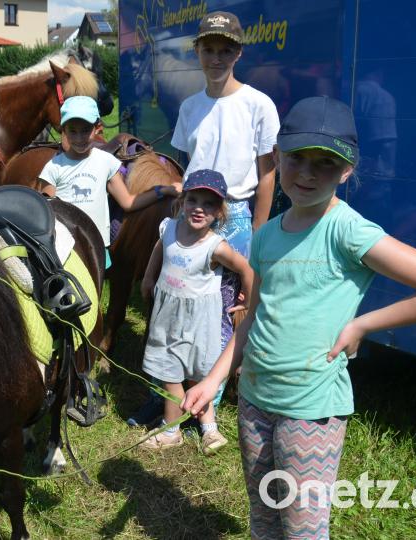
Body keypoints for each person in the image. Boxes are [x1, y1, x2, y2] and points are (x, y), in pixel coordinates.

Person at [182, 96, 416, 538]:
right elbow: (252, 320)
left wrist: (362, 325)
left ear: (347, 170)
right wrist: (213, 379)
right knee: (264, 521)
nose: (308, 173)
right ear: (277, 156)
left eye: (326, 163)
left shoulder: (347, 229)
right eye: (297, 158)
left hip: (311, 413)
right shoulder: (266, 236)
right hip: (255, 404)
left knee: (302, 529)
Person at [131, 10, 280, 425]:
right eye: (208, 49)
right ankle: (169, 391)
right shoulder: (191, 106)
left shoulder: (257, 105)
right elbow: (184, 166)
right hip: (192, 213)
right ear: (197, 52)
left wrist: (258, 229)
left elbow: (268, 173)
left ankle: (209, 401)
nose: (216, 58)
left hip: (234, 217)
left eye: (225, 50)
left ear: (238, 54)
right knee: (175, 304)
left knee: (228, 310)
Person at [137, 169, 252, 455]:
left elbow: (246, 268)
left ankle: (208, 429)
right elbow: (158, 249)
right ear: (182, 201)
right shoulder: (170, 228)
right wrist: (149, 278)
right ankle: (172, 430)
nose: (199, 208)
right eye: (193, 200)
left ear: (220, 212)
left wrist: (248, 296)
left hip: (200, 321)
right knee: (170, 372)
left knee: (199, 376)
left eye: (209, 204)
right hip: (168, 316)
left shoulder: (215, 246)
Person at [38, 95, 177, 267]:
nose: (79, 138)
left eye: (85, 130)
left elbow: (128, 202)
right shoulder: (53, 168)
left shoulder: (106, 162)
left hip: (95, 246)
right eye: (73, 131)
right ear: (63, 131)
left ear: (97, 128)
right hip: (65, 247)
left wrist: (162, 190)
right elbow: (46, 211)